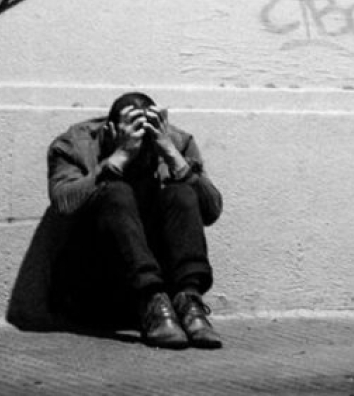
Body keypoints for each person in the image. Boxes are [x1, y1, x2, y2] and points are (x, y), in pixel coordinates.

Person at [47, 92, 224, 349]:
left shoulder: (175, 142)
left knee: (181, 192)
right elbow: (63, 204)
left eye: (146, 144)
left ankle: (188, 301)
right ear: (109, 131)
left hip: (168, 298)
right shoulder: (73, 145)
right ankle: (150, 300)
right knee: (115, 192)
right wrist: (119, 157)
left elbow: (212, 210)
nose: (142, 153)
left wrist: (173, 157)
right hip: (97, 287)